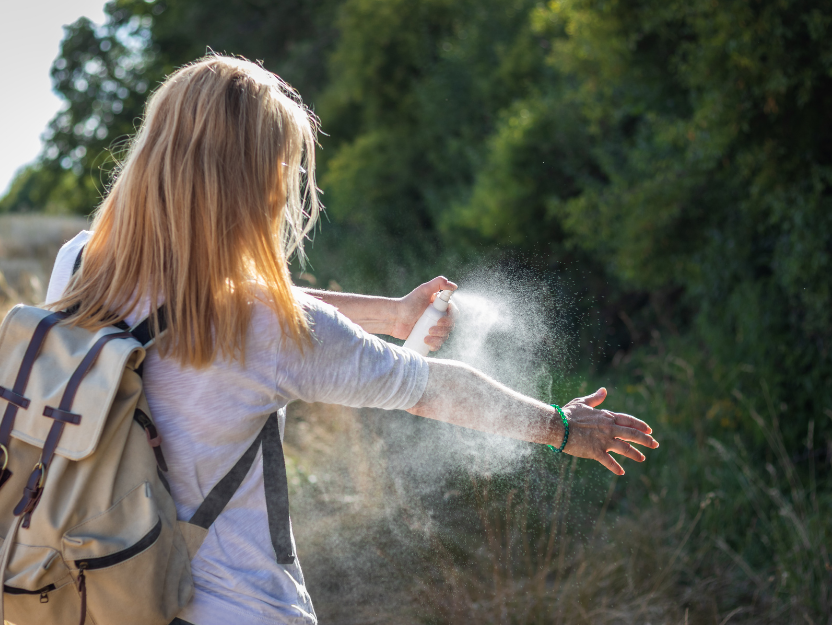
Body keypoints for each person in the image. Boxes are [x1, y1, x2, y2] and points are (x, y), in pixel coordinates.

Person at [46, 55, 657, 625]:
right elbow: (431, 388)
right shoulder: (265, 325)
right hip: (238, 608)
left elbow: (218, 301)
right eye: (283, 163)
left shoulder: (81, 263)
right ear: (253, 177)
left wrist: (391, 315)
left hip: (98, 595)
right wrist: (564, 427)